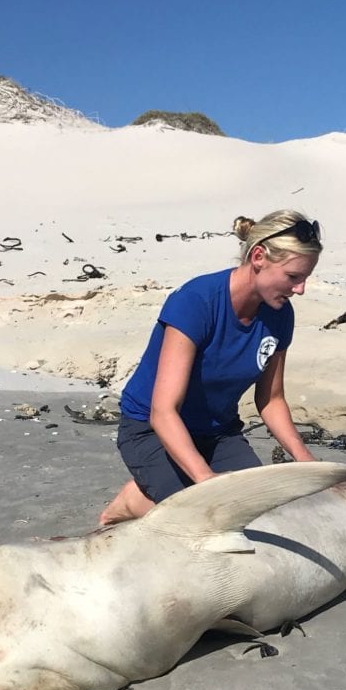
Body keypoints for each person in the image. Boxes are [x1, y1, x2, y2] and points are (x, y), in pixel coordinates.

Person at [99, 210, 321, 525]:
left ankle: (166, 489)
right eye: (293, 277)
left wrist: (306, 462)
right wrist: (206, 480)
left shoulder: (280, 314)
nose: (300, 289)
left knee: (269, 514)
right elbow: (163, 411)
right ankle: (134, 501)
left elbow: (270, 400)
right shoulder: (197, 301)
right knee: (212, 516)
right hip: (151, 431)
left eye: (305, 278)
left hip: (219, 434)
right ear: (258, 257)